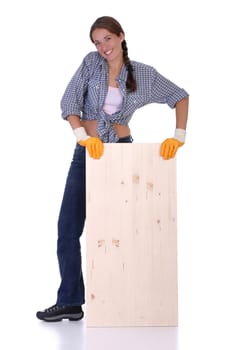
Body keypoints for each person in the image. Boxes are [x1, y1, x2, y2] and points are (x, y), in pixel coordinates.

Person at [36, 15, 189, 322]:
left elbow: (180, 96)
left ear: (121, 36)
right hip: (88, 153)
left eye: (107, 38)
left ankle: (126, 299)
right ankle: (70, 301)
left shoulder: (143, 75)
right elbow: (69, 104)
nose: (102, 46)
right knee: (68, 227)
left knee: (121, 230)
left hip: (122, 153)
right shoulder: (91, 64)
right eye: (97, 41)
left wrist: (178, 136)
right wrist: (82, 137)